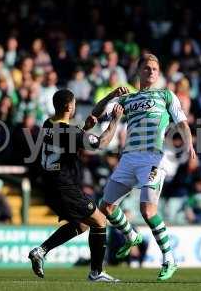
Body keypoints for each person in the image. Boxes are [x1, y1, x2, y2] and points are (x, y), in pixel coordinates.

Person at [91, 54, 196, 281]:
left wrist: (189, 146)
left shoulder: (166, 95)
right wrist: (111, 95)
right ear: (138, 71)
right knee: (105, 206)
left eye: (155, 69)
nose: (151, 72)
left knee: (148, 211)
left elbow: (182, 123)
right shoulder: (127, 99)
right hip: (128, 158)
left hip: (152, 158)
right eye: (147, 68)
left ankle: (169, 259)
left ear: (159, 74)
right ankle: (131, 236)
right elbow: (96, 114)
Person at [28, 89, 124, 282]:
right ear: (68, 106)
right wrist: (115, 120)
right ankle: (96, 273)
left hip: (50, 185)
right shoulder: (68, 132)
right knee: (100, 221)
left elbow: (67, 142)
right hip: (64, 186)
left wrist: (84, 129)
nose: (75, 106)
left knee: (81, 225)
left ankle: (41, 251)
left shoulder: (48, 124)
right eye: (74, 103)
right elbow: (102, 143)